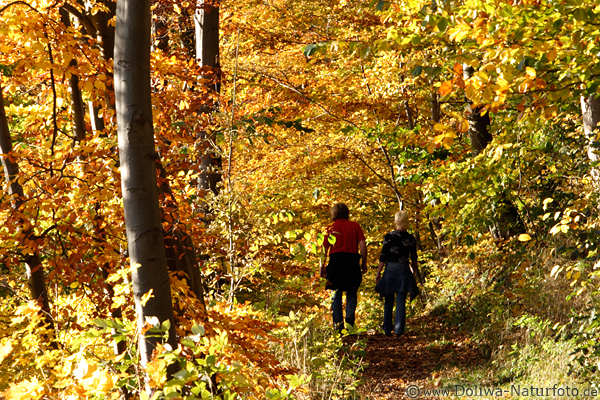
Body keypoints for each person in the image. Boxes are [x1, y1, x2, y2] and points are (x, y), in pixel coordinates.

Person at [376, 210, 423, 336]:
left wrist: (378, 272)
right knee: (401, 299)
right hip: (403, 269)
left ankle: (387, 329)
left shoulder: (389, 237)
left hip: (390, 269)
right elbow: (414, 258)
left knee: (388, 299)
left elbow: (383, 257)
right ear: (406, 222)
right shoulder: (410, 238)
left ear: (396, 221)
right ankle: (399, 329)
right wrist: (414, 272)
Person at [321, 203, 367, 332]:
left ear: (333, 213)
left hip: (336, 262)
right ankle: (350, 320)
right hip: (352, 261)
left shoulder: (330, 228)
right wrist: (364, 262)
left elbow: (324, 250)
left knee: (336, 293)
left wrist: (322, 267)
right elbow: (362, 245)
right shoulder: (355, 226)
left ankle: (338, 326)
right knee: (351, 291)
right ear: (347, 213)